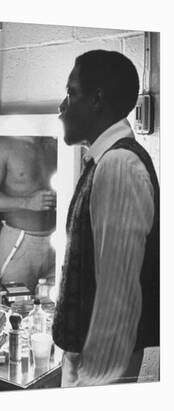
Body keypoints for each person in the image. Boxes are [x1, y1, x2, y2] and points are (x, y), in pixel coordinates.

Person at [52, 50, 159, 386]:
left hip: (100, 374)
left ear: (97, 100)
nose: (62, 108)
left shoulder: (118, 166)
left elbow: (118, 302)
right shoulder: (104, 162)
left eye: (71, 93)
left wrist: (91, 384)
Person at [0, 136, 57, 293]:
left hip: (55, 241)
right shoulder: (3, 146)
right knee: (18, 308)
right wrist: (26, 202)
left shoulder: (55, 144)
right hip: (19, 243)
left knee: (53, 310)